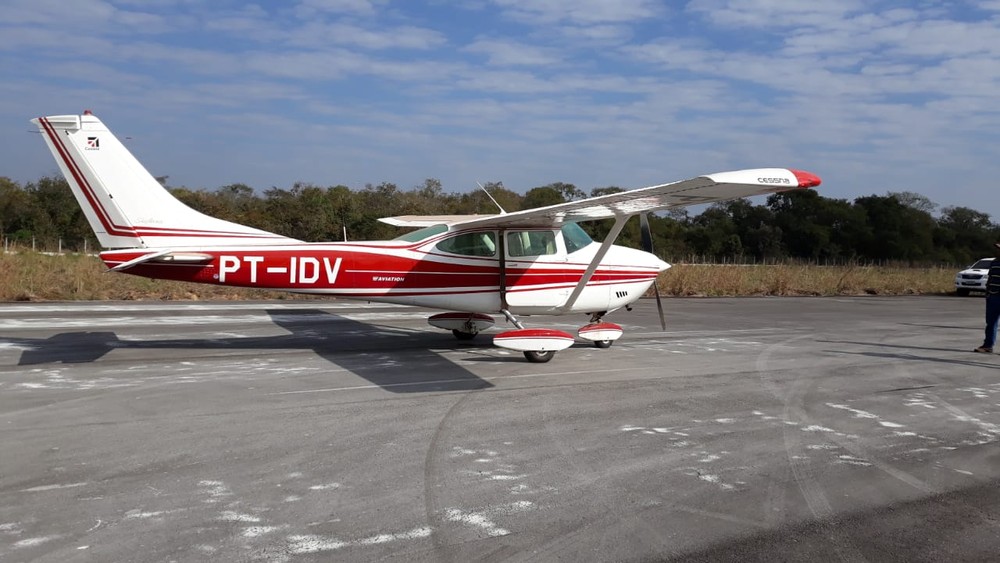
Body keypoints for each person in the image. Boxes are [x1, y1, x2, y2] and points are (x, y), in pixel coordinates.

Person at [973, 242, 1000, 353]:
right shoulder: (994, 262)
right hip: (993, 296)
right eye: (997, 249)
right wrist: (987, 292)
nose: (998, 251)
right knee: (991, 322)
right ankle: (988, 345)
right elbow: (990, 277)